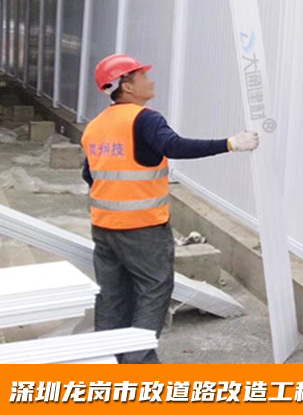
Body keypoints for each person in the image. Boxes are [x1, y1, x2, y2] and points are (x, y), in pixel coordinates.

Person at [80, 54, 259, 363]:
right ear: (126, 86)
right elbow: (174, 146)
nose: (150, 81)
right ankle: (138, 363)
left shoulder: (95, 127)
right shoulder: (145, 119)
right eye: (142, 76)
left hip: (104, 227)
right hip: (142, 228)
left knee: (113, 295)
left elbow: (90, 174)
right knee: (154, 289)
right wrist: (230, 143)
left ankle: (106, 360)